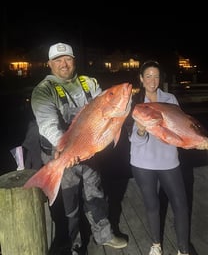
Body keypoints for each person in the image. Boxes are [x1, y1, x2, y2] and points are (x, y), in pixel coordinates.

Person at [31, 42, 128, 255]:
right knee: (68, 205)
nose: (63, 64)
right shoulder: (43, 90)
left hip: (89, 151)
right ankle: (72, 246)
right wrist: (63, 147)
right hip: (61, 154)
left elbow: (107, 110)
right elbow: (47, 123)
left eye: (67, 58)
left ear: (74, 60)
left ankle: (104, 234)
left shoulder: (89, 82)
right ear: (50, 64)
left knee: (96, 194)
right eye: (57, 60)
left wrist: (123, 106)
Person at [128, 60, 190, 255]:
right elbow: (133, 141)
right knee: (152, 205)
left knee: (180, 204)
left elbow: (179, 129)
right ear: (141, 79)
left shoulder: (169, 99)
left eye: (156, 76)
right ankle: (156, 245)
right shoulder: (134, 103)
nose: (152, 80)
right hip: (142, 162)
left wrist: (194, 140)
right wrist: (139, 132)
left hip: (168, 160)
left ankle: (183, 249)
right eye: (148, 76)